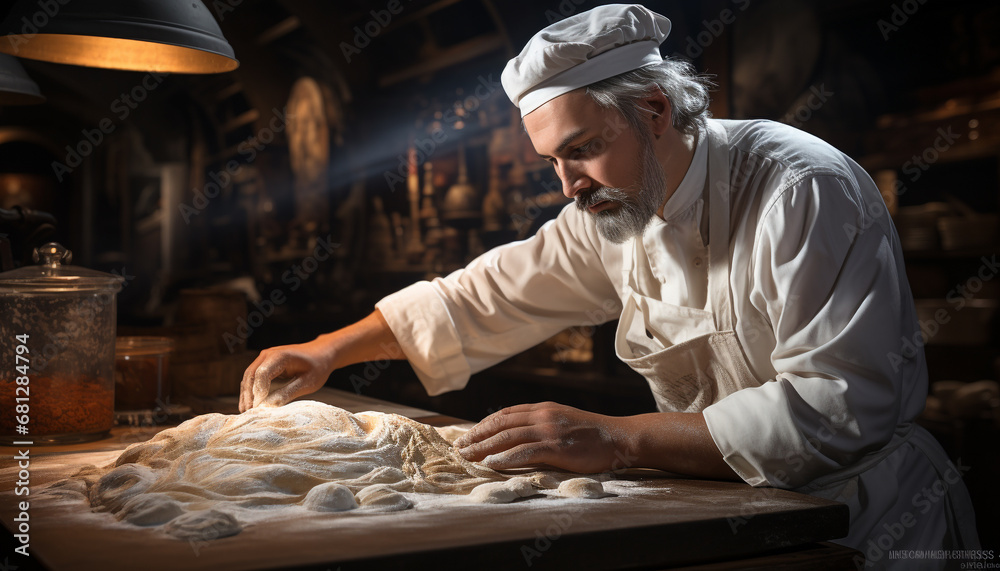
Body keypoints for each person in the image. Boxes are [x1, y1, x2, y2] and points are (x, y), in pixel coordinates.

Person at [240, 3, 979, 564]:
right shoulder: (616, 204)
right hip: (744, 521)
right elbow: (487, 292)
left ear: (654, 110)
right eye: (552, 163)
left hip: (867, 522)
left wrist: (615, 439)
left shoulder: (799, 189)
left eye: (583, 151)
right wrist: (329, 348)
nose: (568, 186)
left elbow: (837, 407)